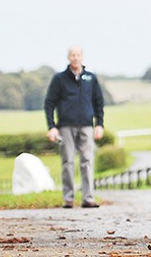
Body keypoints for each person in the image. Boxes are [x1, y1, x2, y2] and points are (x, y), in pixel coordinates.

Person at [44, 45, 105, 208]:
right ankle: (69, 198)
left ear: (82, 57)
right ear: (68, 57)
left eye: (78, 55)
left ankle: (88, 197)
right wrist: (52, 126)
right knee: (68, 162)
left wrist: (100, 124)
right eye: (72, 55)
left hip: (86, 126)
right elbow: (49, 103)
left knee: (87, 161)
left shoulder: (91, 78)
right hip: (65, 126)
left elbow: (98, 102)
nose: (75, 58)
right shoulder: (59, 79)